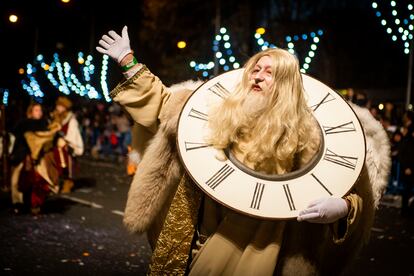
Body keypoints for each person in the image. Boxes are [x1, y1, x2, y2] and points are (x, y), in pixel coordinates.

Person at [97, 26, 391, 275]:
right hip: (194, 236)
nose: (258, 76)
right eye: (255, 68)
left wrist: (343, 210)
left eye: (270, 72)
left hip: (261, 250)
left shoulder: (307, 136)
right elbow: (163, 106)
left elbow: (350, 190)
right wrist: (127, 59)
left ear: (286, 84)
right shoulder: (213, 110)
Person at [9, 102, 59, 214]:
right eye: (36, 110)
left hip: (38, 157)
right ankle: (18, 204)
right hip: (23, 155)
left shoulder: (44, 123)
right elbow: (15, 138)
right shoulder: (23, 124)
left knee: (39, 181)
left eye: (40, 110)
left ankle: (35, 204)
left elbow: (47, 139)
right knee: (17, 180)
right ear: (31, 111)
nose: (39, 112)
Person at [49, 96, 84, 193]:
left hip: (66, 146)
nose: (59, 108)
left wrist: (65, 140)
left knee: (66, 165)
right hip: (54, 144)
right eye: (58, 106)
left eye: (61, 106)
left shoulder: (71, 120)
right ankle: (55, 183)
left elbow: (73, 135)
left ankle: (67, 183)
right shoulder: (54, 117)